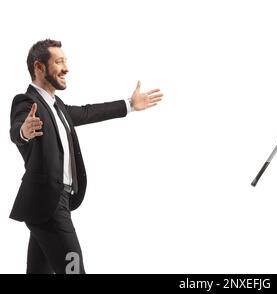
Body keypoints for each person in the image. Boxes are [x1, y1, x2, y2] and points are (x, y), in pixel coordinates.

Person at [9, 39, 163, 274]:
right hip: (48, 203)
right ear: (39, 67)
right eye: (59, 62)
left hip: (51, 203)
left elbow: (90, 112)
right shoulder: (27, 102)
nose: (66, 68)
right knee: (74, 267)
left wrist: (130, 104)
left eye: (66, 61)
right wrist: (24, 131)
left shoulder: (57, 106)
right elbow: (17, 129)